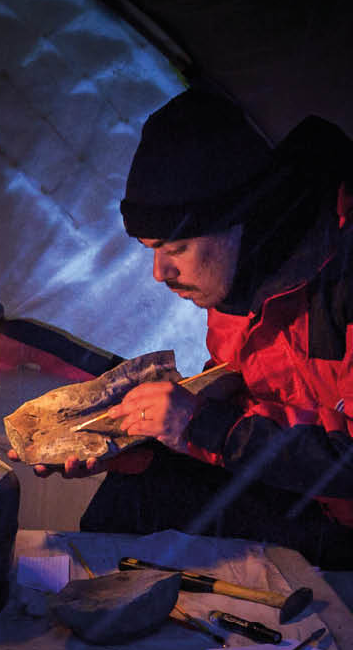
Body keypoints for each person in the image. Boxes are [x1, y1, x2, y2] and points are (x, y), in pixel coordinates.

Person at [37, 89, 353, 568]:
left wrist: (201, 424)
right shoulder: (238, 281)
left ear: (237, 221)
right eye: (151, 250)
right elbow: (250, 402)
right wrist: (128, 442)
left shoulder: (342, 278)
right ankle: (91, 616)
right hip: (296, 494)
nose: (159, 273)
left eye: (176, 247)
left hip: (343, 523)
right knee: (139, 482)